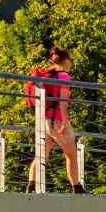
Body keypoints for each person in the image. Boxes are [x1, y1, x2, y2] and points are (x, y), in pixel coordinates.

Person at [27, 46, 87, 194]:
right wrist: (65, 123)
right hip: (58, 121)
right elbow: (62, 102)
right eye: (71, 60)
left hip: (45, 120)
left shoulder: (50, 75)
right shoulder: (64, 77)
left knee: (42, 155)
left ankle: (31, 185)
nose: (71, 63)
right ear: (66, 61)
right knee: (71, 155)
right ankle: (77, 187)